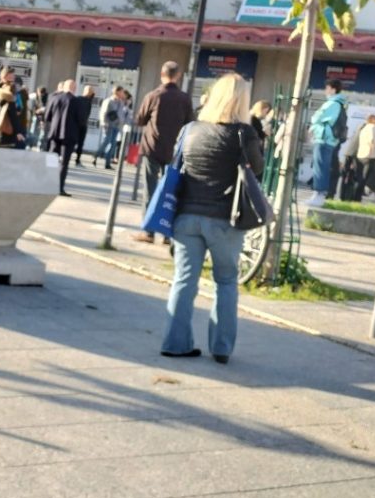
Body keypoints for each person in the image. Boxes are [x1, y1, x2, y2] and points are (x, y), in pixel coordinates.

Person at [160, 72, 263, 364]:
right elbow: (257, 171)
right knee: (226, 281)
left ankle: (174, 343)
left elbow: (176, 165)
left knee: (183, 280)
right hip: (225, 220)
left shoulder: (190, 129)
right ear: (242, 100)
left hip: (186, 217)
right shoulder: (244, 133)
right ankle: (221, 348)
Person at [133, 61, 193, 244]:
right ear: (178, 76)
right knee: (170, 192)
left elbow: (140, 120)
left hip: (152, 147)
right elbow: (190, 123)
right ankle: (167, 234)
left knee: (150, 190)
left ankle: (148, 231)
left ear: (162, 74)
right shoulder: (184, 99)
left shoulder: (153, 96)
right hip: (174, 151)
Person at [306, 79, 349, 207]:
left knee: (321, 166)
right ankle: (318, 194)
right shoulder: (339, 104)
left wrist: (314, 121)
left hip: (324, 139)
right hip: (327, 139)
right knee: (321, 166)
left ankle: (319, 194)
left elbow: (317, 117)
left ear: (333, 89)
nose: (326, 90)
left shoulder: (332, 103)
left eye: (327, 88)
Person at [42, 79, 80, 195]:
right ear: (74, 88)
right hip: (68, 135)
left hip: (54, 133)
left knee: (51, 159)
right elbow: (81, 120)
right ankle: (59, 187)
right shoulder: (76, 101)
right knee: (64, 162)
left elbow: (47, 116)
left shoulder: (54, 98)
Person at [339, 113, 375, 202]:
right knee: (363, 178)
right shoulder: (372, 127)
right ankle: (356, 197)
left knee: (357, 177)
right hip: (368, 155)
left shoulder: (363, 127)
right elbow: (373, 141)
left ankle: (351, 197)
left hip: (359, 155)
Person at [95, 86, 128, 168]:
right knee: (106, 141)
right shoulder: (108, 101)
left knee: (113, 145)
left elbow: (121, 113)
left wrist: (122, 123)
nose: (123, 93)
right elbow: (103, 112)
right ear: (117, 92)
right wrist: (103, 122)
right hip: (108, 125)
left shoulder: (121, 102)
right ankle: (96, 155)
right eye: (122, 92)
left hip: (116, 126)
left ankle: (107, 163)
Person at [73, 85, 96, 165]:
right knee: (73, 141)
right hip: (76, 124)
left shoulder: (89, 101)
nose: (91, 92)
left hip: (83, 124)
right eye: (89, 91)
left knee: (81, 143)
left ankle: (78, 159)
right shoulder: (78, 99)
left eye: (91, 91)